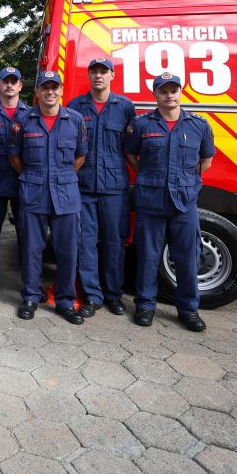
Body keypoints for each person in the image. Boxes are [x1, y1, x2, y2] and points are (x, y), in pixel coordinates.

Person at [125, 72, 215, 332]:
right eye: (163, 91)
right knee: (148, 256)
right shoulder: (142, 125)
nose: (169, 95)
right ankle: (145, 306)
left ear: (180, 92)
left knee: (187, 258)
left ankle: (188, 310)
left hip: (184, 202)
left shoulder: (199, 125)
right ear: (155, 95)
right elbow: (130, 153)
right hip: (150, 201)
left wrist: (185, 181)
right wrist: (148, 174)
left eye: (173, 90)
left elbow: (205, 161)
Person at [10, 70, 87, 324]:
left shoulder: (75, 120)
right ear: (38, 92)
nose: (50, 92)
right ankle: (31, 296)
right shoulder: (24, 121)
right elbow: (15, 157)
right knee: (32, 248)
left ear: (61, 91)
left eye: (54, 87)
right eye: (45, 87)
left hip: (66, 192)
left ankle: (65, 301)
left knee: (67, 249)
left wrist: (59, 177)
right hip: (33, 190)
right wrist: (35, 177)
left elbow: (80, 157)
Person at [67, 58, 136, 316]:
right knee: (85, 243)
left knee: (114, 243)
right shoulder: (75, 107)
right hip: (83, 186)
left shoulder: (125, 107)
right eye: (94, 71)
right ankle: (92, 296)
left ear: (112, 75)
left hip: (114, 188)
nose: (98, 76)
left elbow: (130, 147)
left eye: (103, 72)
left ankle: (113, 295)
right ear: (88, 75)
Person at [0, 66, 30, 291]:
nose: (10, 85)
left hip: (23, 181)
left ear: (20, 86)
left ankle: (28, 280)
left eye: (14, 81)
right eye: (5, 81)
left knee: (27, 233)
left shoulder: (30, 114)